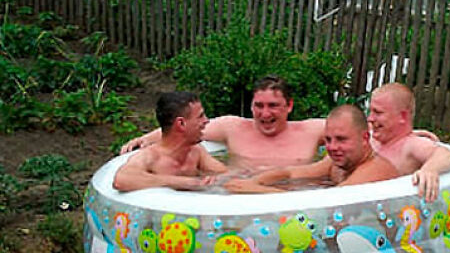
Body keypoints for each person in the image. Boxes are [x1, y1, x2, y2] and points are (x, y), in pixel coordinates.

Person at [120, 76, 326, 170]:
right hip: (239, 198)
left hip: (296, 202)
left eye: (273, 105)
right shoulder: (233, 127)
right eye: (259, 105)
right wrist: (144, 138)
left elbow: (354, 136)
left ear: (289, 106)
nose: (265, 113)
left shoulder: (313, 130)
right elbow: (185, 128)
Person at [226, 104, 398, 192]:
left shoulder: (375, 169)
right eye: (328, 140)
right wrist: (255, 180)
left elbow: (327, 203)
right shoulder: (337, 162)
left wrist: (257, 190)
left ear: (365, 138)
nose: (332, 147)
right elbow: (291, 173)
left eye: (341, 139)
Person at [113, 92, 227, 192]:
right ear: (181, 124)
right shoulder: (151, 156)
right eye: (200, 116)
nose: (206, 121)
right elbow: (121, 180)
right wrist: (186, 182)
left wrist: (216, 180)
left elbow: (226, 174)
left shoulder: (196, 151)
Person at [368, 82, 450, 203]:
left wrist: (430, 169)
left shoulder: (410, 145)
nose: (370, 118)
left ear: (402, 117)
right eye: (370, 111)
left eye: (378, 113)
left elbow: (445, 155)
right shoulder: (372, 136)